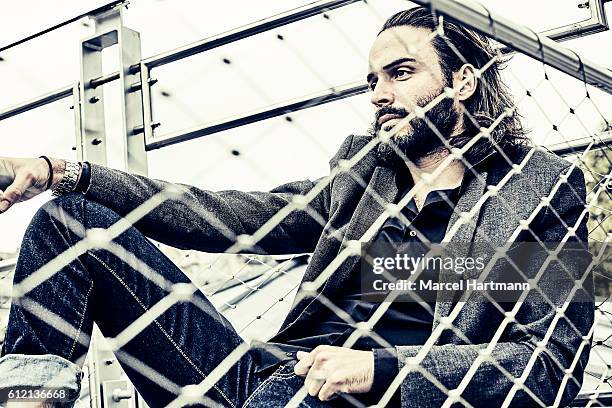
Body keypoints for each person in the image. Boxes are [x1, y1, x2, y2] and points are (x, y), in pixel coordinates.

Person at [0, 7, 593, 408]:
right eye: (372, 81)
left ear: (463, 83)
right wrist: (66, 171)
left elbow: (547, 359)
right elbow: (231, 217)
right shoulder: (364, 176)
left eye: (402, 73)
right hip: (265, 381)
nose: (381, 95)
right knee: (72, 222)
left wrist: (380, 370)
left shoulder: (535, 188)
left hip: (371, 397)